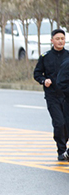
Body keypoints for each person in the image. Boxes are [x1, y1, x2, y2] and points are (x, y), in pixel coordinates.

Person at [34, 28, 69, 160]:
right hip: (53, 96)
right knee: (59, 123)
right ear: (52, 40)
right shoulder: (45, 57)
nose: (60, 41)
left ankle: (66, 149)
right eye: (57, 39)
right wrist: (44, 80)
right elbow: (37, 73)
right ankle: (61, 150)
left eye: (62, 39)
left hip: (66, 96)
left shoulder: (68, 56)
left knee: (67, 124)